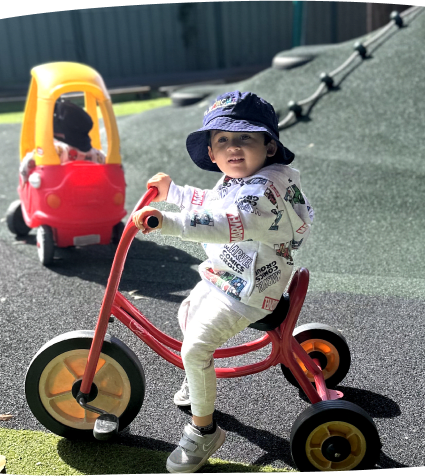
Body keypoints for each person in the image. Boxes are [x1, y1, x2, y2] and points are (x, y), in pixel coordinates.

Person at [131, 91, 314, 474]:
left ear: (269, 144)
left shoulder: (263, 191)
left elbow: (227, 224)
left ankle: (204, 430)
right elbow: (211, 203)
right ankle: (197, 380)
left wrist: (167, 222)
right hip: (229, 277)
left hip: (253, 292)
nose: (233, 148)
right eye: (222, 140)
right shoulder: (237, 180)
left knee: (195, 348)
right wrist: (174, 193)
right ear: (212, 154)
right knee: (187, 312)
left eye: (245, 138)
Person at [19, 98, 105, 186]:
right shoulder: (98, 156)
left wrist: (24, 179)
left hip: (57, 195)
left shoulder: (57, 151)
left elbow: (29, 161)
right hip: (88, 196)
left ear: (60, 134)